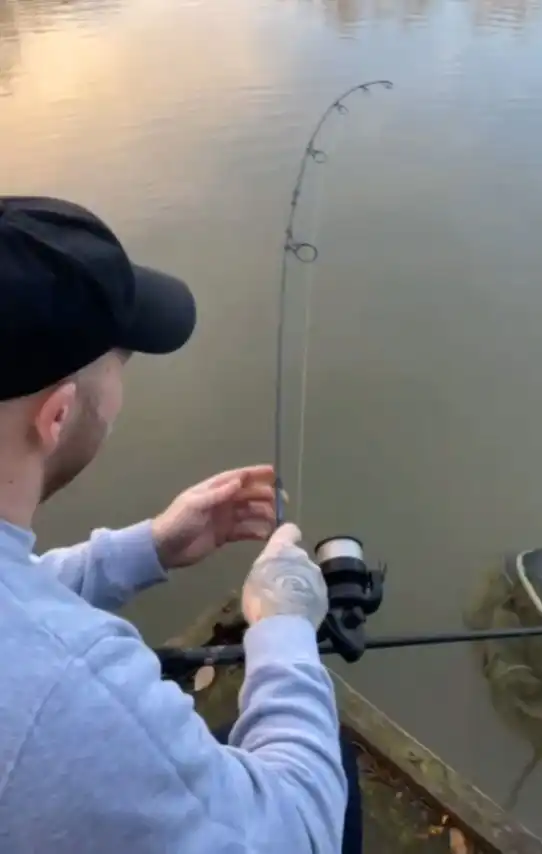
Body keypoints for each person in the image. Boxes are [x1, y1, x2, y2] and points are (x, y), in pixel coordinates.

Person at [0, 196, 363, 853]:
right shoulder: (73, 691)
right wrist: (283, 629)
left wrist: (149, 547)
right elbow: (299, 832)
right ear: (57, 416)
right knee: (327, 758)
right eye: (121, 368)